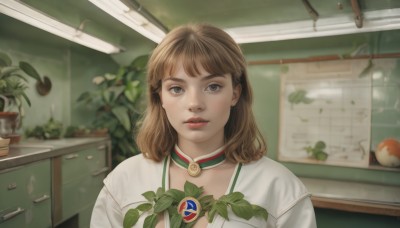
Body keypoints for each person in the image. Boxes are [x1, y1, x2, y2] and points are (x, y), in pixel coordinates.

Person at [90, 23, 316, 228]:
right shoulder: (123, 180)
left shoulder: (280, 187)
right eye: (177, 89)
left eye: (213, 86)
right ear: (160, 97)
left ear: (235, 94)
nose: (195, 104)